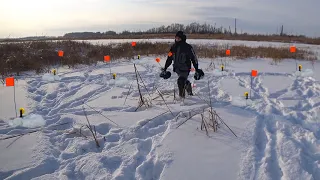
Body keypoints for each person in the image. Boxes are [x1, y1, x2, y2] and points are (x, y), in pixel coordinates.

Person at [160, 31, 204, 99]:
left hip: (185, 69)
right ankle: (188, 87)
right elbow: (169, 58)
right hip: (177, 69)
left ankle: (182, 99)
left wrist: (196, 69)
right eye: (176, 38)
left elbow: (194, 58)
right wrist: (165, 68)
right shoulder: (173, 47)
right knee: (183, 81)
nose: (177, 39)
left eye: (178, 38)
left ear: (182, 38)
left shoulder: (188, 47)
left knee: (180, 81)